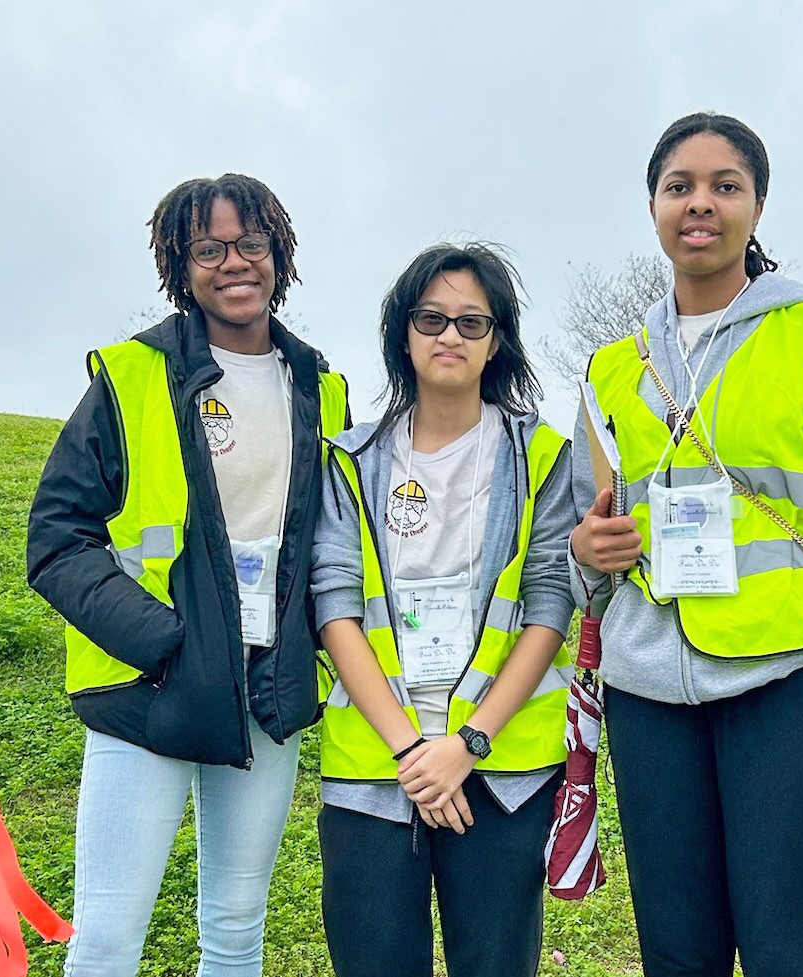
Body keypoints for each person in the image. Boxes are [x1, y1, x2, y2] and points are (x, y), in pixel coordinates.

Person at [568, 112, 803, 976]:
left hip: (791, 687)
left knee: (790, 954)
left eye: (724, 185)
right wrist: (588, 551)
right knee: (677, 954)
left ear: (757, 205)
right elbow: (583, 560)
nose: (700, 204)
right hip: (649, 700)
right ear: (654, 207)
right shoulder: (609, 371)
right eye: (679, 186)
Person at [26, 173, 350, 977]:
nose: (233, 262)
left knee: (237, 930)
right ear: (181, 263)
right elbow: (56, 537)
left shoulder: (323, 388)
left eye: (251, 244)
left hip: (267, 689)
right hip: (150, 688)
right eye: (209, 248)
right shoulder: (132, 378)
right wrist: (166, 642)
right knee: (106, 941)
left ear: (280, 255)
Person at [309, 243, 575, 977]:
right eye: (431, 318)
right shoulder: (349, 461)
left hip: (503, 770)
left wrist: (466, 745)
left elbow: (549, 608)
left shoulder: (545, 457)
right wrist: (410, 752)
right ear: (404, 333)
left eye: (471, 321)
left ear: (497, 341)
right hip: (373, 769)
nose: (449, 336)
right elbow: (335, 609)